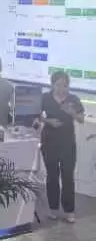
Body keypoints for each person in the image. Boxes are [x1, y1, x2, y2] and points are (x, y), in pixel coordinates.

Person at [40, 70, 84, 223]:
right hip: (49, 141)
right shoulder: (45, 97)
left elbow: (81, 119)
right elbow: (35, 114)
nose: (62, 88)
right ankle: (53, 209)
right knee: (52, 176)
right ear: (52, 84)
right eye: (58, 85)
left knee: (67, 176)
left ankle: (69, 211)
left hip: (67, 142)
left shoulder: (73, 99)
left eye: (65, 85)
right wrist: (48, 121)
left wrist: (72, 113)